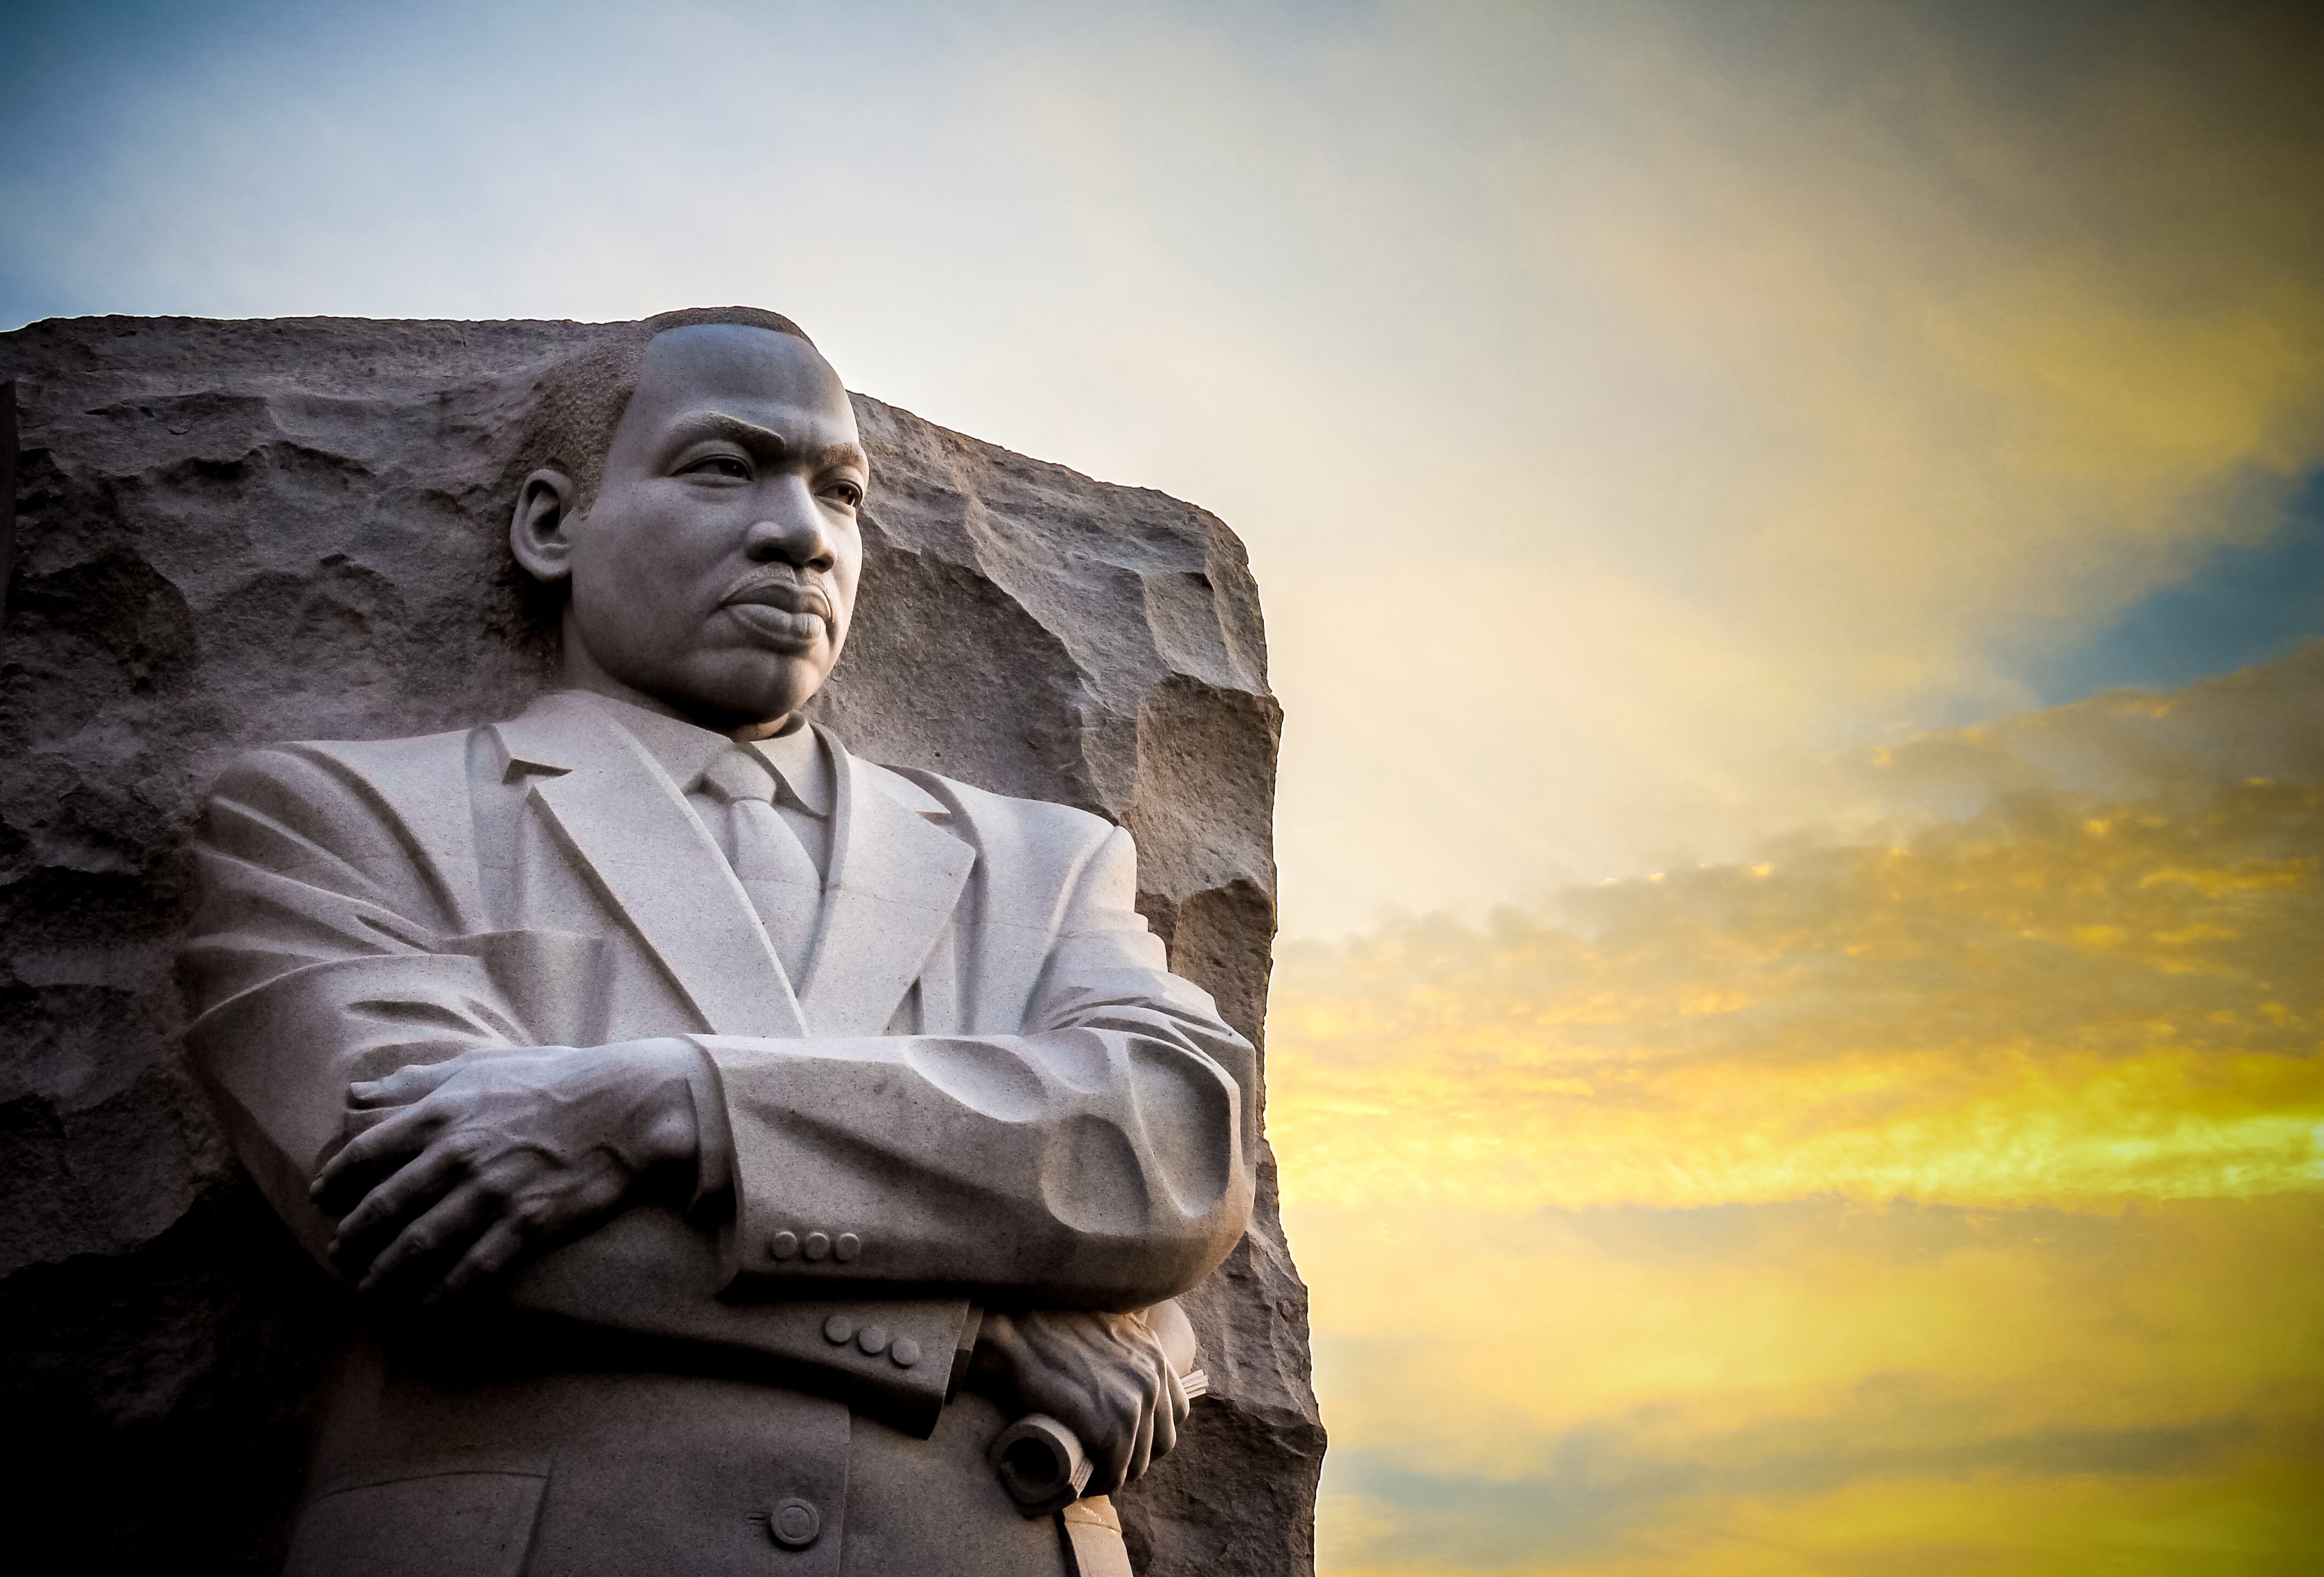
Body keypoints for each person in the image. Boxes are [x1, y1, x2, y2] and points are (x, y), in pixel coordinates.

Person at [179, 307, 1258, 1577]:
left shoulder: (1043, 862)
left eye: (841, 492)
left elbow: (1173, 1149)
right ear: (552, 525)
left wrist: (670, 1102)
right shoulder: (345, 819)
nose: (803, 533)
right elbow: (407, 1200)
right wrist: (985, 1330)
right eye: (722, 467)